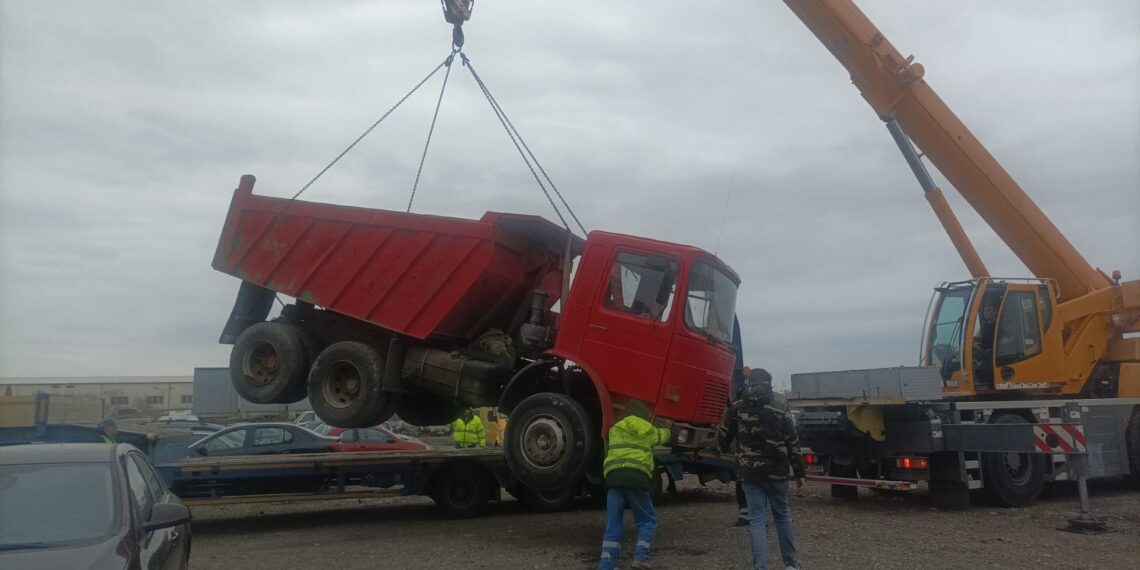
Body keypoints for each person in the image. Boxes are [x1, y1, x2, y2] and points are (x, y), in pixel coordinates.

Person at [720, 368, 805, 570]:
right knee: (782, 517)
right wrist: (799, 472)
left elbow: (724, 436)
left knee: (756, 520)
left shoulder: (738, 407)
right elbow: (792, 441)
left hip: (749, 474)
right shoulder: (780, 405)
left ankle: (761, 567)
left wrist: (725, 448)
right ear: (769, 383)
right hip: (777, 471)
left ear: (750, 382)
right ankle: (791, 565)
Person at [598, 400, 671, 570]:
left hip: (614, 479)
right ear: (644, 416)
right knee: (647, 521)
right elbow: (665, 436)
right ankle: (640, 559)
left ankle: (606, 566)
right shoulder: (648, 429)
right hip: (636, 479)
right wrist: (668, 425)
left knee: (613, 524)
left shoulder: (615, 429)